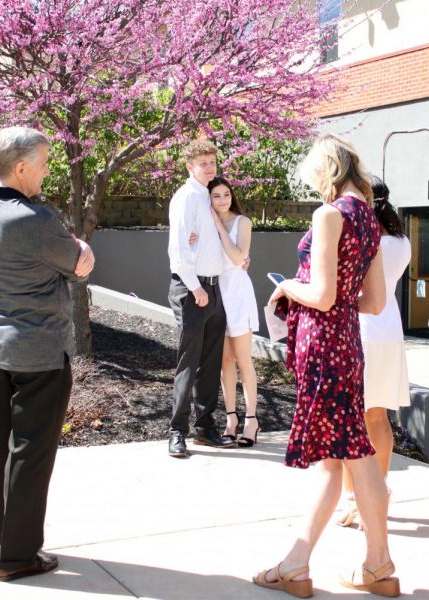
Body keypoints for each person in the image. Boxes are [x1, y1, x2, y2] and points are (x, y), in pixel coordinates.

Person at [255, 134, 399, 598]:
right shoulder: (371, 220)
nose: (314, 187)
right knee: (345, 455)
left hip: (322, 347)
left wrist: (287, 287)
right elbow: (375, 302)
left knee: (347, 457)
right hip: (348, 346)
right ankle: (368, 566)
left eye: (314, 177)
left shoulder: (330, 214)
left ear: (327, 171)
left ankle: (329, 566)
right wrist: (327, 298)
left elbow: (321, 294)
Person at [0, 126, 95, 581]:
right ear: (20, 168)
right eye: (42, 162)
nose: (46, 170)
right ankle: (18, 556)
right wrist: (79, 247)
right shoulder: (33, 220)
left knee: (7, 448)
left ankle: (11, 540)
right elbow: (80, 263)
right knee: (31, 453)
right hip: (38, 352)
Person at [336, 176, 412, 528]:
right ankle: (377, 492)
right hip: (389, 328)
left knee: (353, 418)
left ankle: (356, 498)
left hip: (361, 326)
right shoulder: (401, 240)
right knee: (378, 416)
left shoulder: (362, 237)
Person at [166, 140, 235, 458]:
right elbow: (178, 251)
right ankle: (177, 432)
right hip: (192, 290)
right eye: (203, 163)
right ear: (189, 166)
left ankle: (205, 429)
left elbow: (208, 244)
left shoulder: (209, 197)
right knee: (188, 363)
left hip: (214, 288)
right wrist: (196, 289)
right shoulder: (186, 198)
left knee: (210, 364)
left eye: (212, 161)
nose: (209, 167)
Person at [208, 177, 261, 446]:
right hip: (218, 297)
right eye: (216, 196)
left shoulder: (243, 222)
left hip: (238, 296)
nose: (222, 200)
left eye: (226, 194)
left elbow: (239, 258)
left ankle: (251, 420)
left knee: (243, 359)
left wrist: (218, 226)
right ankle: (231, 419)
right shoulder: (205, 225)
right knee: (224, 361)